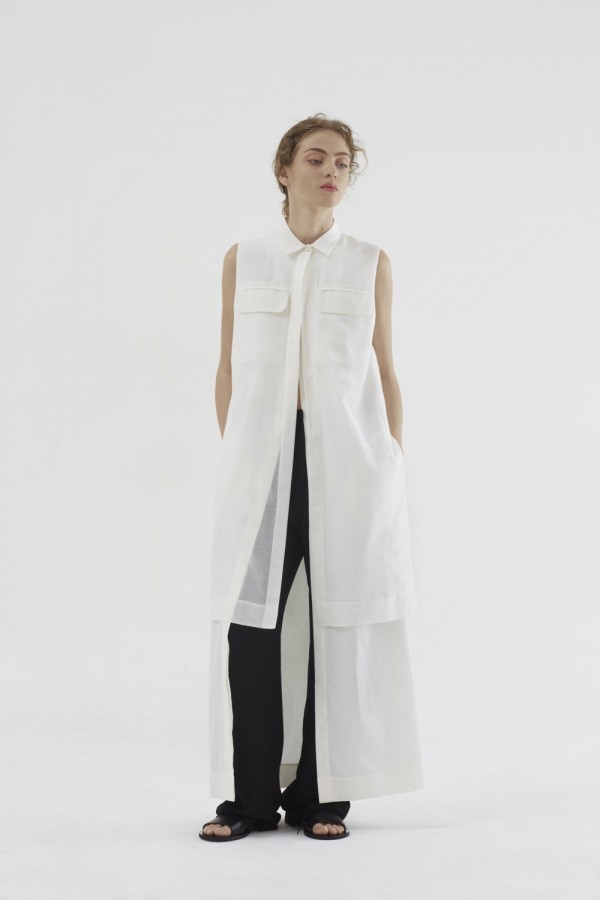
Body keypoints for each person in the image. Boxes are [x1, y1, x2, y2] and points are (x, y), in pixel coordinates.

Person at [200, 114, 425, 843]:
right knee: (251, 625)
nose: (332, 171)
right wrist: (240, 456)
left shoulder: (369, 261)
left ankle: (320, 798)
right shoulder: (244, 259)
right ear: (284, 169)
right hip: (263, 461)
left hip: (348, 464)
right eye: (316, 158)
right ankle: (249, 801)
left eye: (343, 163)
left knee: (336, 623)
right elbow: (227, 367)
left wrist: (391, 460)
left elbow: (385, 369)